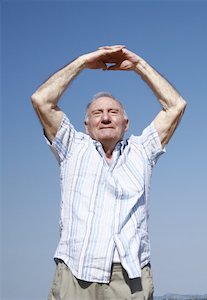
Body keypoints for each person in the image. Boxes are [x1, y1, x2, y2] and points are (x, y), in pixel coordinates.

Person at [31, 45, 187, 300]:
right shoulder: (73, 147)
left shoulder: (141, 150)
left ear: (126, 124)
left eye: (113, 112)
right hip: (75, 274)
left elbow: (175, 105)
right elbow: (42, 100)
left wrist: (139, 66)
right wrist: (82, 62)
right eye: (97, 113)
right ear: (87, 125)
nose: (105, 118)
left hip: (129, 277)